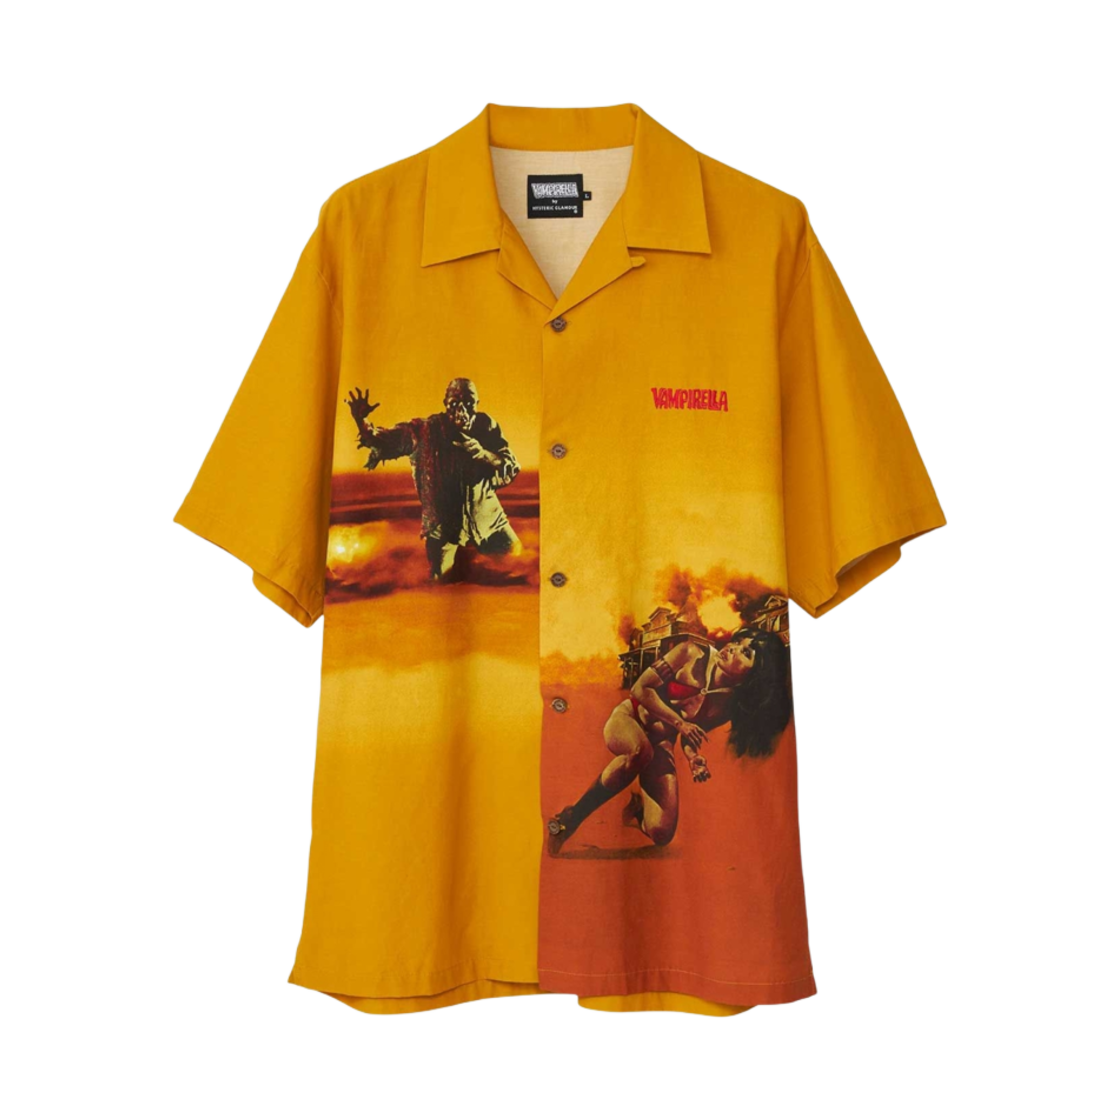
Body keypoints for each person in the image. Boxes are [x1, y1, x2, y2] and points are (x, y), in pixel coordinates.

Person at [546, 628, 792, 854]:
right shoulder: (690, 652)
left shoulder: (727, 705)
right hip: (629, 719)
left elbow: (690, 735)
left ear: (753, 677)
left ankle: (637, 810)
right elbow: (640, 689)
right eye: (738, 642)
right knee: (640, 751)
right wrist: (679, 723)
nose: (732, 648)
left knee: (661, 832)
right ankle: (573, 817)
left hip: (660, 744)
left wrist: (694, 758)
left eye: (746, 653)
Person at [347, 378, 522, 580]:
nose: (462, 410)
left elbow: (511, 464)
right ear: (446, 404)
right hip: (444, 527)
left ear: (477, 403)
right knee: (439, 581)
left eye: (469, 403)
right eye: (455, 403)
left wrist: (484, 454)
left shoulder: (485, 426)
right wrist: (361, 421)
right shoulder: (425, 431)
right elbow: (383, 440)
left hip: (489, 520)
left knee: (518, 562)